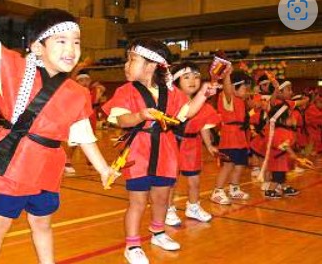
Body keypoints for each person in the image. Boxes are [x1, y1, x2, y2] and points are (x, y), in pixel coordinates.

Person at [0, 0, 113, 263]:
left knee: (43, 225)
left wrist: (104, 168)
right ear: (37, 46)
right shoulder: (15, 70)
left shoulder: (78, 93)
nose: (71, 49)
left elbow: (83, 135)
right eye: (61, 41)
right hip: (12, 164)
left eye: (76, 41)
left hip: (49, 167)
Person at [102, 38, 217, 264]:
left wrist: (204, 93)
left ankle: (158, 233)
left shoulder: (171, 93)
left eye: (132, 60)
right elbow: (122, 120)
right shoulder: (126, 91)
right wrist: (139, 116)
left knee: (162, 199)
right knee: (137, 201)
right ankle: (132, 245)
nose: (126, 65)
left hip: (166, 150)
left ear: (152, 65)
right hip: (138, 152)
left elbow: (186, 112)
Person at [165, 62, 220, 226]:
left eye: (196, 77)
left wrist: (209, 145)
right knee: (171, 181)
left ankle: (193, 207)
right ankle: (168, 209)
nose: (193, 80)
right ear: (176, 81)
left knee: (194, 180)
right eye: (186, 77)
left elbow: (203, 126)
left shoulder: (203, 104)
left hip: (193, 144)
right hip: (173, 141)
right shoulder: (173, 99)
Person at [210, 70, 251, 205]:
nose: (247, 91)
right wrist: (227, 73)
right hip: (229, 136)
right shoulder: (228, 97)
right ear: (234, 87)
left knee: (240, 165)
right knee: (228, 165)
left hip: (240, 137)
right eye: (245, 88)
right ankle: (217, 192)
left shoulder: (241, 100)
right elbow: (227, 88)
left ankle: (234, 189)